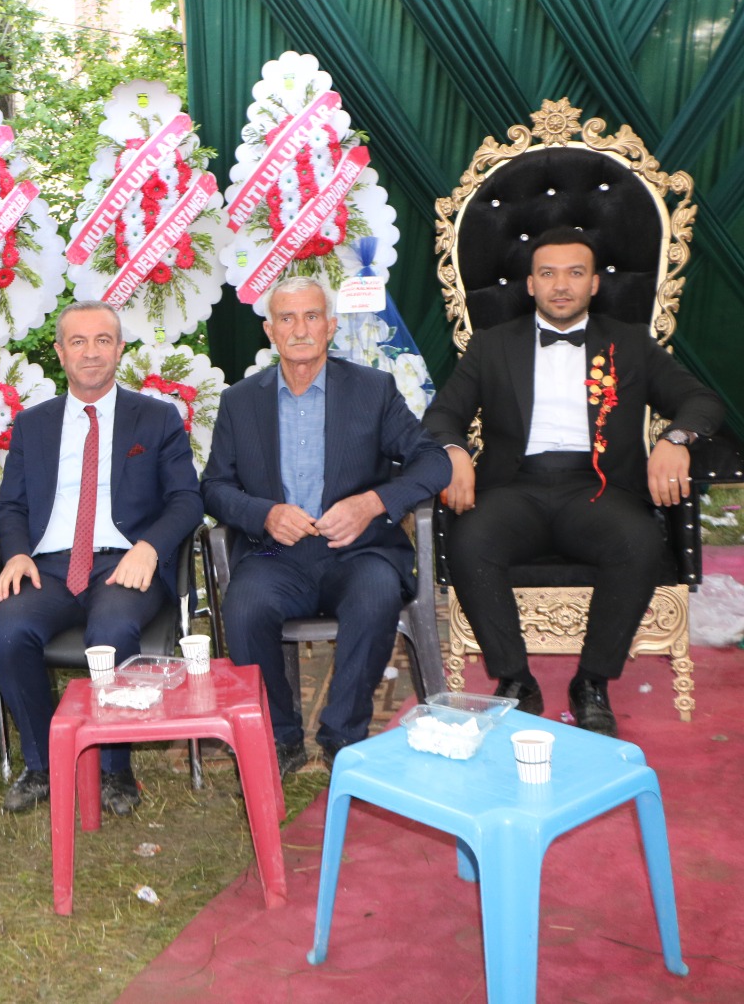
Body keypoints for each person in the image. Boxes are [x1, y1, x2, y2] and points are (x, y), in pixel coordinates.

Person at [424, 228, 725, 736]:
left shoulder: (629, 342)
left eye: (574, 273)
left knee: (638, 541)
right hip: (514, 487)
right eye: (548, 273)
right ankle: (516, 680)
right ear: (530, 284)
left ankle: (591, 683)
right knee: (471, 540)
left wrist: (675, 438)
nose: (560, 285)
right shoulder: (492, 345)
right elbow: (441, 416)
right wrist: (454, 452)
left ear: (594, 284)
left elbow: (702, 402)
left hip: (599, 488)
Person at [201, 276, 450, 773]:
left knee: (376, 594)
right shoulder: (241, 401)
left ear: (331, 326)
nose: (300, 329)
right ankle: (279, 736)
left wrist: (372, 504)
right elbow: (214, 487)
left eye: (312, 316)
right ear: (270, 331)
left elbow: (433, 462)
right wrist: (265, 514)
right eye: (287, 318)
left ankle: (343, 735)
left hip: (359, 552)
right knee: (244, 606)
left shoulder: (372, 390)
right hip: (275, 554)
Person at [0, 301, 202, 816]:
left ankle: (114, 769)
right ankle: (43, 763)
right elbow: (11, 505)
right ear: (60, 352)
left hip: (124, 561)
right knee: (7, 634)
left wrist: (149, 547)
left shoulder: (156, 418)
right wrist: (16, 554)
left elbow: (186, 500)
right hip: (49, 566)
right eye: (78, 342)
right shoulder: (33, 424)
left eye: (102, 340)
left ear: (119, 349)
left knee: (111, 633)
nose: (90, 352)